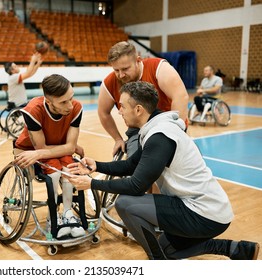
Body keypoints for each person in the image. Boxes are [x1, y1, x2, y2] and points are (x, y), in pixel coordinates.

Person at [66, 81, 259, 260]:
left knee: (125, 204)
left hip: (204, 213)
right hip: (202, 208)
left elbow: (136, 186)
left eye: (122, 106)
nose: (120, 112)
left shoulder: (160, 137)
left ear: (138, 109)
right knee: (168, 250)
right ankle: (234, 249)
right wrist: (96, 166)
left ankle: (157, 263)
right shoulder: (155, 129)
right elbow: (131, 165)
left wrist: (92, 183)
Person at [14, 74, 85, 239]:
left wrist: (71, 147)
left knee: (69, 169)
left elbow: (69, 147)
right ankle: (52, 217)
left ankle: (67, 213)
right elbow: (41, 148)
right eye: (63, 102)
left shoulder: (76, 108)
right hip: (28, 149)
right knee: (53, 172)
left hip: (53, 149)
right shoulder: (33, 110)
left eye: (71, 98)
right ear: (48, 102)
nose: (70, 105)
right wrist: (69, 147)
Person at [98, 41, 189, 158]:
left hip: (168, 126)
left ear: (138, 60)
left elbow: (180, 96)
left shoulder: (158, 68)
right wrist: (117, 139)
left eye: (125, 69)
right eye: (116, 70)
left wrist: (175, 132)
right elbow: (103, 112)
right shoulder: (109, 82)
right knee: (138, 167)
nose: (121, 75)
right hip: (138, 132)